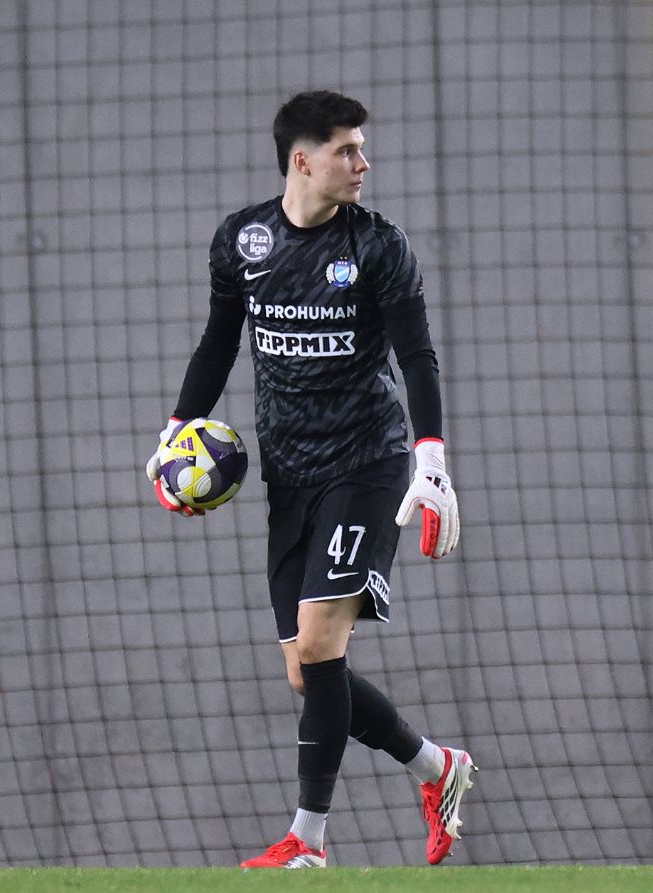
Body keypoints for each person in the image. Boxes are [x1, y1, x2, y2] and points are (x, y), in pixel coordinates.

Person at [144, 90, 476, 869]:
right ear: (303, 160)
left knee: (323, 642)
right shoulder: (243, 241)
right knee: (307, 671)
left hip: (367, 464)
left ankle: (309, 840)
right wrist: (173, 434)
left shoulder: (379, 246)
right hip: (289, 474)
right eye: (346, 150)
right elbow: (218, 341)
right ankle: (437, 766)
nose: (364, 163)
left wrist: (430, 460)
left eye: (361, 148)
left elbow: (417, 356)